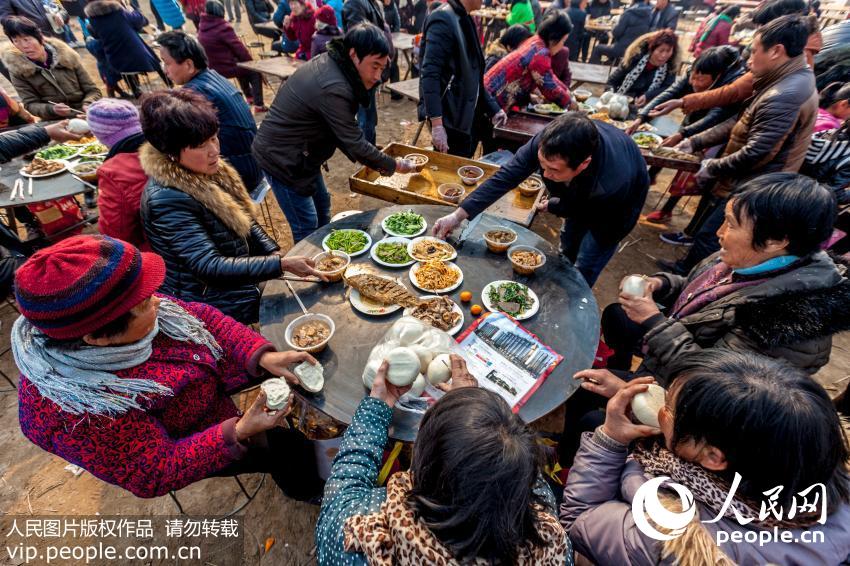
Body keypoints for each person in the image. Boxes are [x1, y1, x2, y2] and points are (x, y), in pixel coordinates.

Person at [13, 234, 326, 501]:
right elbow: (156, 469)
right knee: (287, 447)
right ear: (97, 338)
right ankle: (307, 489)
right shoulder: (77, 412)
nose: (159, 302)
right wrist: (239, 430)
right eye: (145, 304)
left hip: (202, 374)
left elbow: (202, 317)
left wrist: (259, 355)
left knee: (296, 370)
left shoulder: (118, 306)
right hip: (194, 434)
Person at [561, 350, 850, 565]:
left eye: (669, 408)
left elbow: (578, 520)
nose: (661, 407)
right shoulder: (803, 460)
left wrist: (609, 438)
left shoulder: (669, 534)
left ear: (713, 457)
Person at [316, 358, 574, 564]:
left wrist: (376, 408)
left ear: (420, 466)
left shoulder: (359, 533)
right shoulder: (551, 544)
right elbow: (521, 471)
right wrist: (470, 411)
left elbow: (345, 482)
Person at [603, 173, 850, 387]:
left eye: (731, 224)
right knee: (617, 315)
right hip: (672, 348)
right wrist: (662, 284)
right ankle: (627, 368)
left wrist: (654, 323)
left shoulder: (786, 319)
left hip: (688, 394)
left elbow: (710, 380)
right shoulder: (750, 256)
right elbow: (698, 289)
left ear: (776, 240)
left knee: (588, 398)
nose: (719, 232)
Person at [139, 90, 324, 324]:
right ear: (171, 152)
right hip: (208, 301)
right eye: (201, 145)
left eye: (214, 138)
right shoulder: (165, 200)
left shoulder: (205, 169)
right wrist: (280, 264)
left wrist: (271, 252)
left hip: (236, 281)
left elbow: (242, 218)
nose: (214, 150)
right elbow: (208, 266)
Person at [660, 15, 818, 274]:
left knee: (715, 237)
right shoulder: (785, 79)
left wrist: (712, 166)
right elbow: (741, 122)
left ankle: (682, 287)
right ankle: (685, 274)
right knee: (712, 234)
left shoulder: (785, 94)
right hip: (753, 181)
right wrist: (694, 141)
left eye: (754, 51)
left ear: (777, 51)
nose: (748, 59)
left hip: (756, 186)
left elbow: (758, 151)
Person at [434, 112, 649, 286]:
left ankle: (576, 296)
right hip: (585, 192)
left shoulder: (611, 182)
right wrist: (458, 215)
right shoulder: (548, 141)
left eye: (553, 170)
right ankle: (564, 264)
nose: (545, 176)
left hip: (617, 208)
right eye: (541, 165)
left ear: (583, 164)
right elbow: (507, 175)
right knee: (569, 241)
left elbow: (581, 209)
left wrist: (555, 204)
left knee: (591, 253)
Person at [253, 25, 416, 243]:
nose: (378, 76)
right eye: (374, 66)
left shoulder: (337, 66)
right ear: (353, 55)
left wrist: (376, 155)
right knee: (307, 225)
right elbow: (355, 142)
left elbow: (345, 131)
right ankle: (312, 267)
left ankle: (326, 255)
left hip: (304, 155)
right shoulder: (334, 86)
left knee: (323, 204)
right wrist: (395, 165)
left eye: (382, 68)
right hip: (282, 159)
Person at [629, 46, 745, 224]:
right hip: (692, 118)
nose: (694, 83)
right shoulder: (697, 69)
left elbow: (716, 116)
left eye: (700, 79)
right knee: (666, 147)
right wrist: (642, 116)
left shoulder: (733, 82)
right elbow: (672, 92)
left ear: (718, 77)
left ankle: (667, 210)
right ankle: (650, 177)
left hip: (714, 130)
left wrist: (685, 134)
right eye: (693, 76)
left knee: (687, 170)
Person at [157, 31, 263, 193]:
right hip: (253, 164)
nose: (165, 70)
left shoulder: (193, 95)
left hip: (239, 176)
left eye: (166, 63)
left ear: (189, 65)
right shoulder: (212, 77)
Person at [419, 0, 507, 157]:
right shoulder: (442, 18)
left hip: (466, 114)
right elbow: (430, 73)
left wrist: (493, 108)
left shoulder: (464, 17)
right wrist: (437, 124)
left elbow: (474, 76)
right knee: (450, 172)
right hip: (451, 118)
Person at [1, 16, 101, 119]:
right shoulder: (17, 69)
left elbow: (93, 90)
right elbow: (30, 104)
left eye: (27, 39)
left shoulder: (67, 57)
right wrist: (52, 109)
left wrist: (88, 104)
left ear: (40, 38)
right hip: (56, 120)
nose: (24, 46)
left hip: (86, 113)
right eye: (16, 41)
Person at [87, 99, 149, 250]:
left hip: (158, 253)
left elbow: (117, 233)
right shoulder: (168, 142)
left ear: (99, 136)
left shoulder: (114, 172)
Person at [485, 12, 573, 112]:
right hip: (491, 101)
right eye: (563, 41)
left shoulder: (535, 42)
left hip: (490, 98)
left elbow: (549, 75)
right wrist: (570, 103)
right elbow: (548, 85)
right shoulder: (540, 52)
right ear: (554, 37)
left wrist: (565, 90)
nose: (562, 46)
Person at [84, 0, 169, 98]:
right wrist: (131, 10)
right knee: (151, 57)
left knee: (125, 58)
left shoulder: (92, 19)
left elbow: (96, 35)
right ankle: (169, 84)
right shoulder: (119, 11)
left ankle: (136, 91)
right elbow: (142, 21)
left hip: (116, 61)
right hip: (139, 57)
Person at [198, 0, 266, 111]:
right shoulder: (221, 26)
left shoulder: (202, 26)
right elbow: (239, 48)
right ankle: (259, 105)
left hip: (212, 67)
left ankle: (249, 97)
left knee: (241, 65)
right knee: (254, 71)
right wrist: (252, 63)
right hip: (225, 68)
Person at [342, 0, 392, 145]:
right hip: (364, 69)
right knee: (365, 114)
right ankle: (367, 148)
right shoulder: (354, 2)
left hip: (372, 66)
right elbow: (359, 38)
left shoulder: (370, 2)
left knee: (369, 113)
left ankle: (370, 144)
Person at [606, 29, 677, 107]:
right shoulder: (634, 58)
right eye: (661, 51)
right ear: (651, 49)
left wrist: (648, 96)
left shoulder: (670, 67)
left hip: (649, 108)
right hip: (619, 104)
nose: (664, 55)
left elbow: (668, 89)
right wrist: (612, 96)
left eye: (668, 51)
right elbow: (612, 81)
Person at [801, 120, 850, 204]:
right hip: (809, 203)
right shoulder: (847, 156)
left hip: (788, 187)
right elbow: (834, 194)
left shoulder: (826, 134)